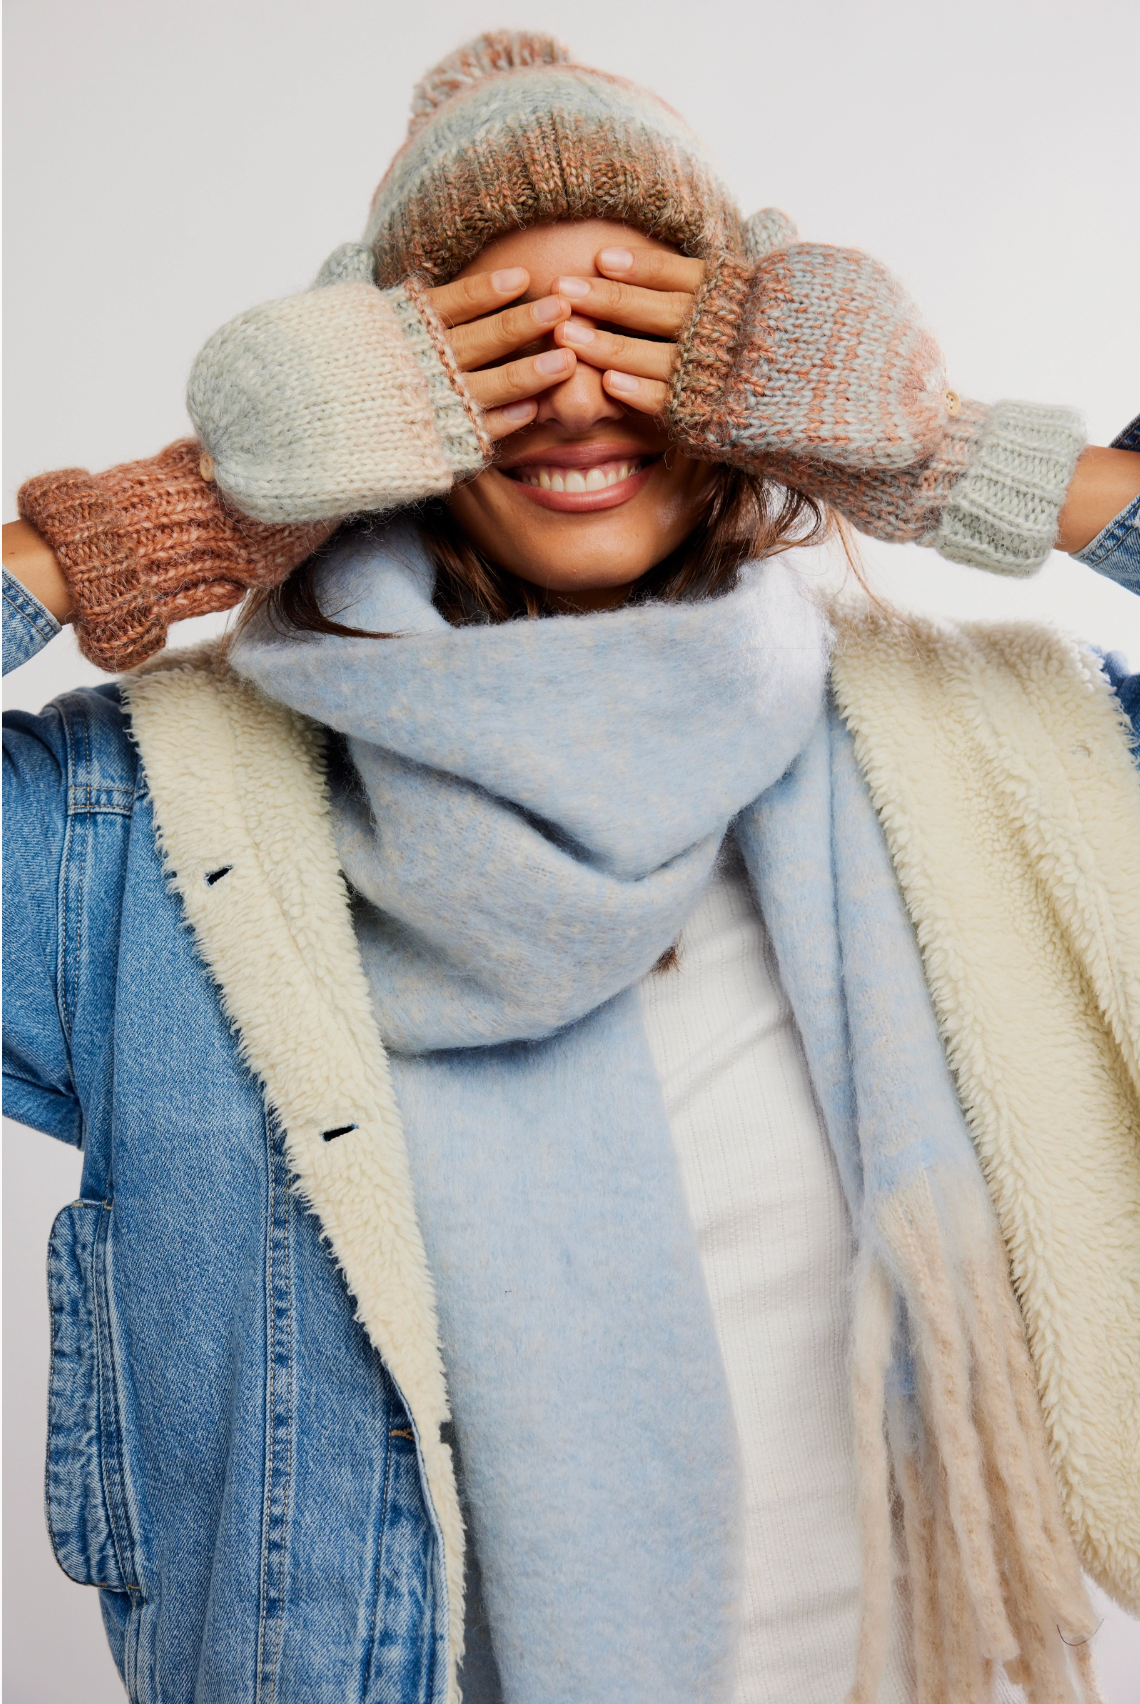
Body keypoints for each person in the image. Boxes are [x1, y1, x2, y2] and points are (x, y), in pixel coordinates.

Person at [4, 30, 1139, 1704]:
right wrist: (159, 525)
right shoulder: (145, 829)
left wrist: (958, 455)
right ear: (383, 405)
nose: (578, 392)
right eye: (493, 347)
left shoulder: (1010, 759)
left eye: (645, 331)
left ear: (753, 380)